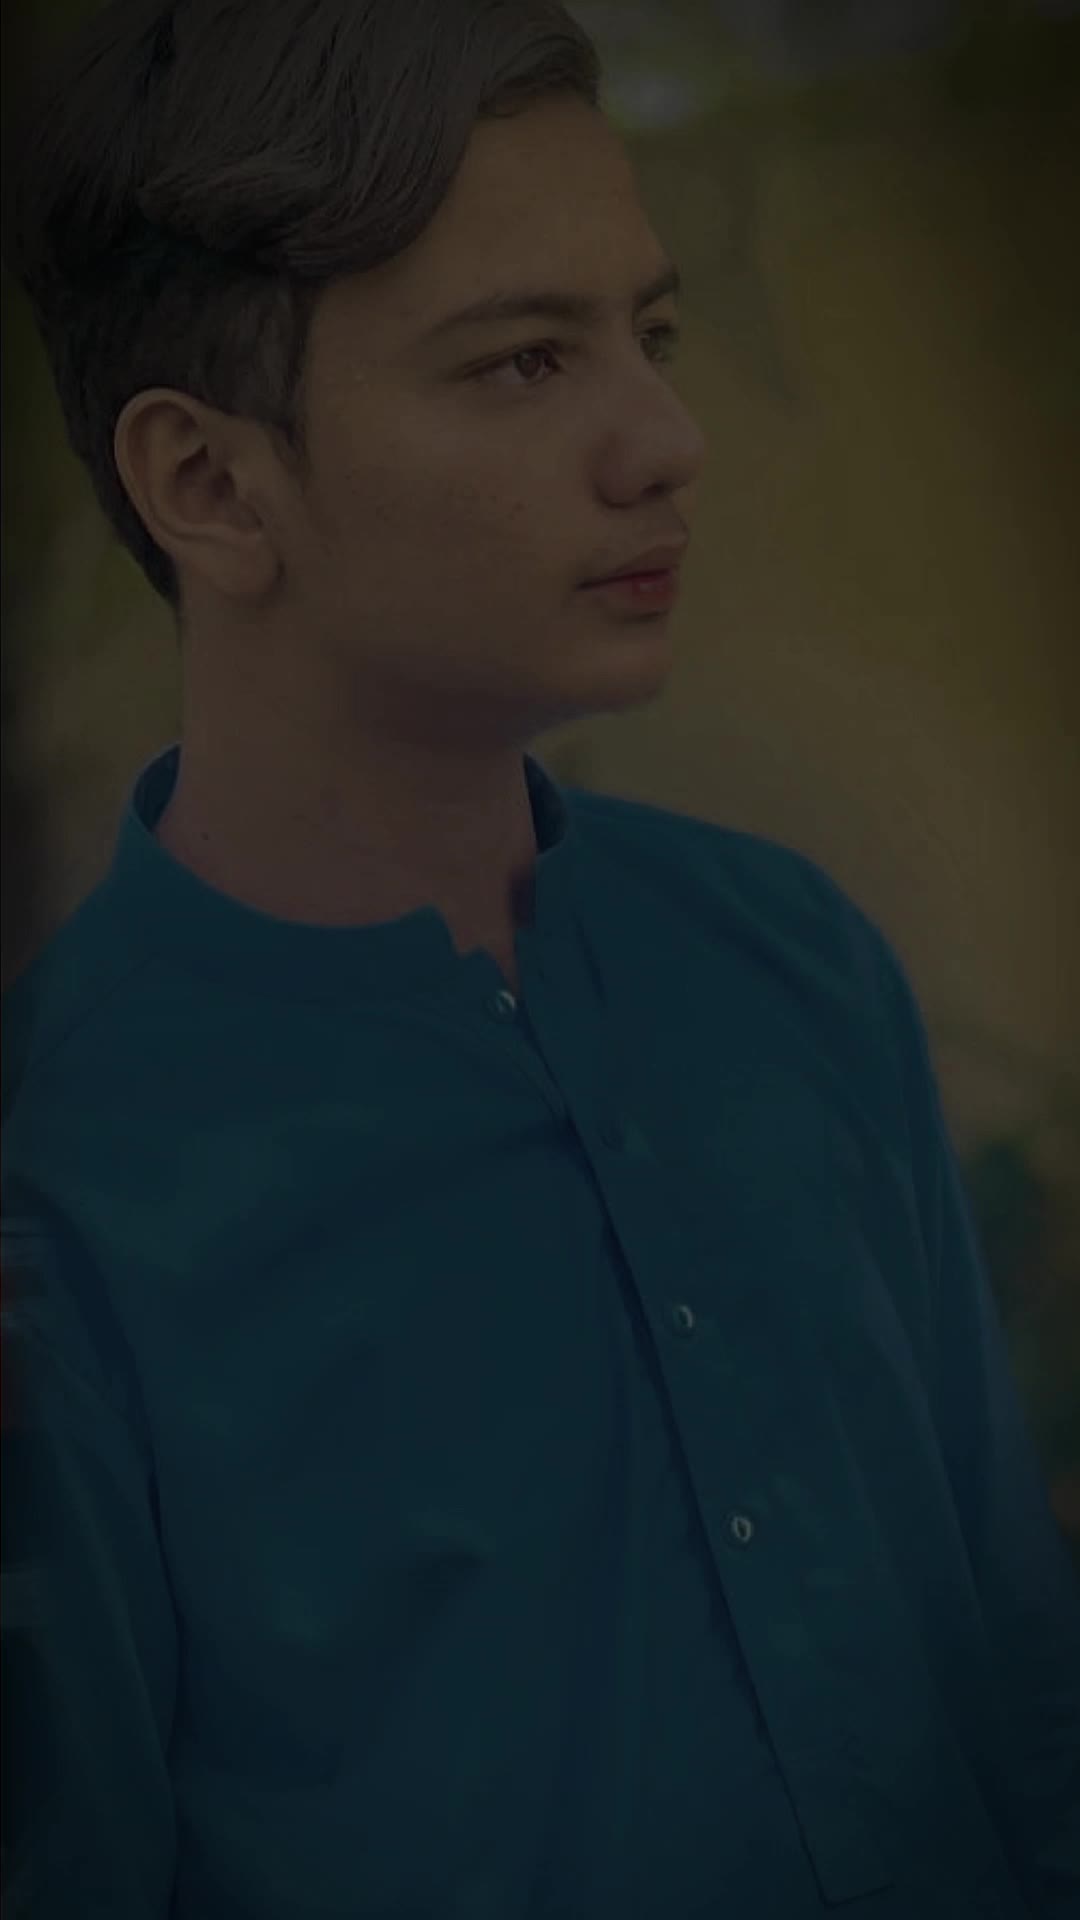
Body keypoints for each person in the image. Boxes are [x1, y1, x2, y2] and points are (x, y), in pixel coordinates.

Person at [1, 3, 1077, 1916]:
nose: (667, 441)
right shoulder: (58, 1190)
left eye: (650, 336)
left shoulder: (796, 960)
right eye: (521, 360)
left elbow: (1018, 1682)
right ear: (211, 486)